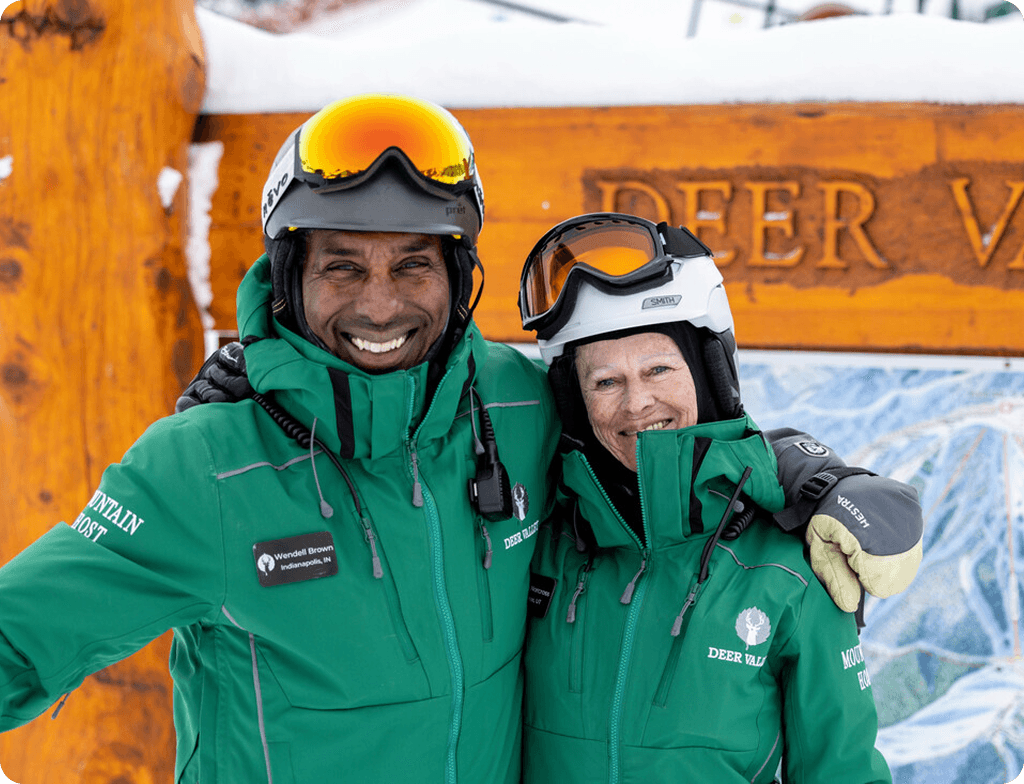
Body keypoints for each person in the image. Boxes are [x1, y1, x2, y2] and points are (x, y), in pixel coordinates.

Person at [0, 94, 918, 783]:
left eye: (413, 263)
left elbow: (657, 440)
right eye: (341, 266)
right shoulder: (204, 467)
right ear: (288, 278)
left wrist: (807, 476)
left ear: (459, 278)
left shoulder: (519, 409)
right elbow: (21, 639)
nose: (380, 302)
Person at [517, 212, 906, 782]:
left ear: (707, 376)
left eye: (658, 368)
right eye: (604, 381)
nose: (636, 403)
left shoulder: (792, 569)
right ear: (575, 400)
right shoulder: (538, 537)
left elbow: (841, 768)